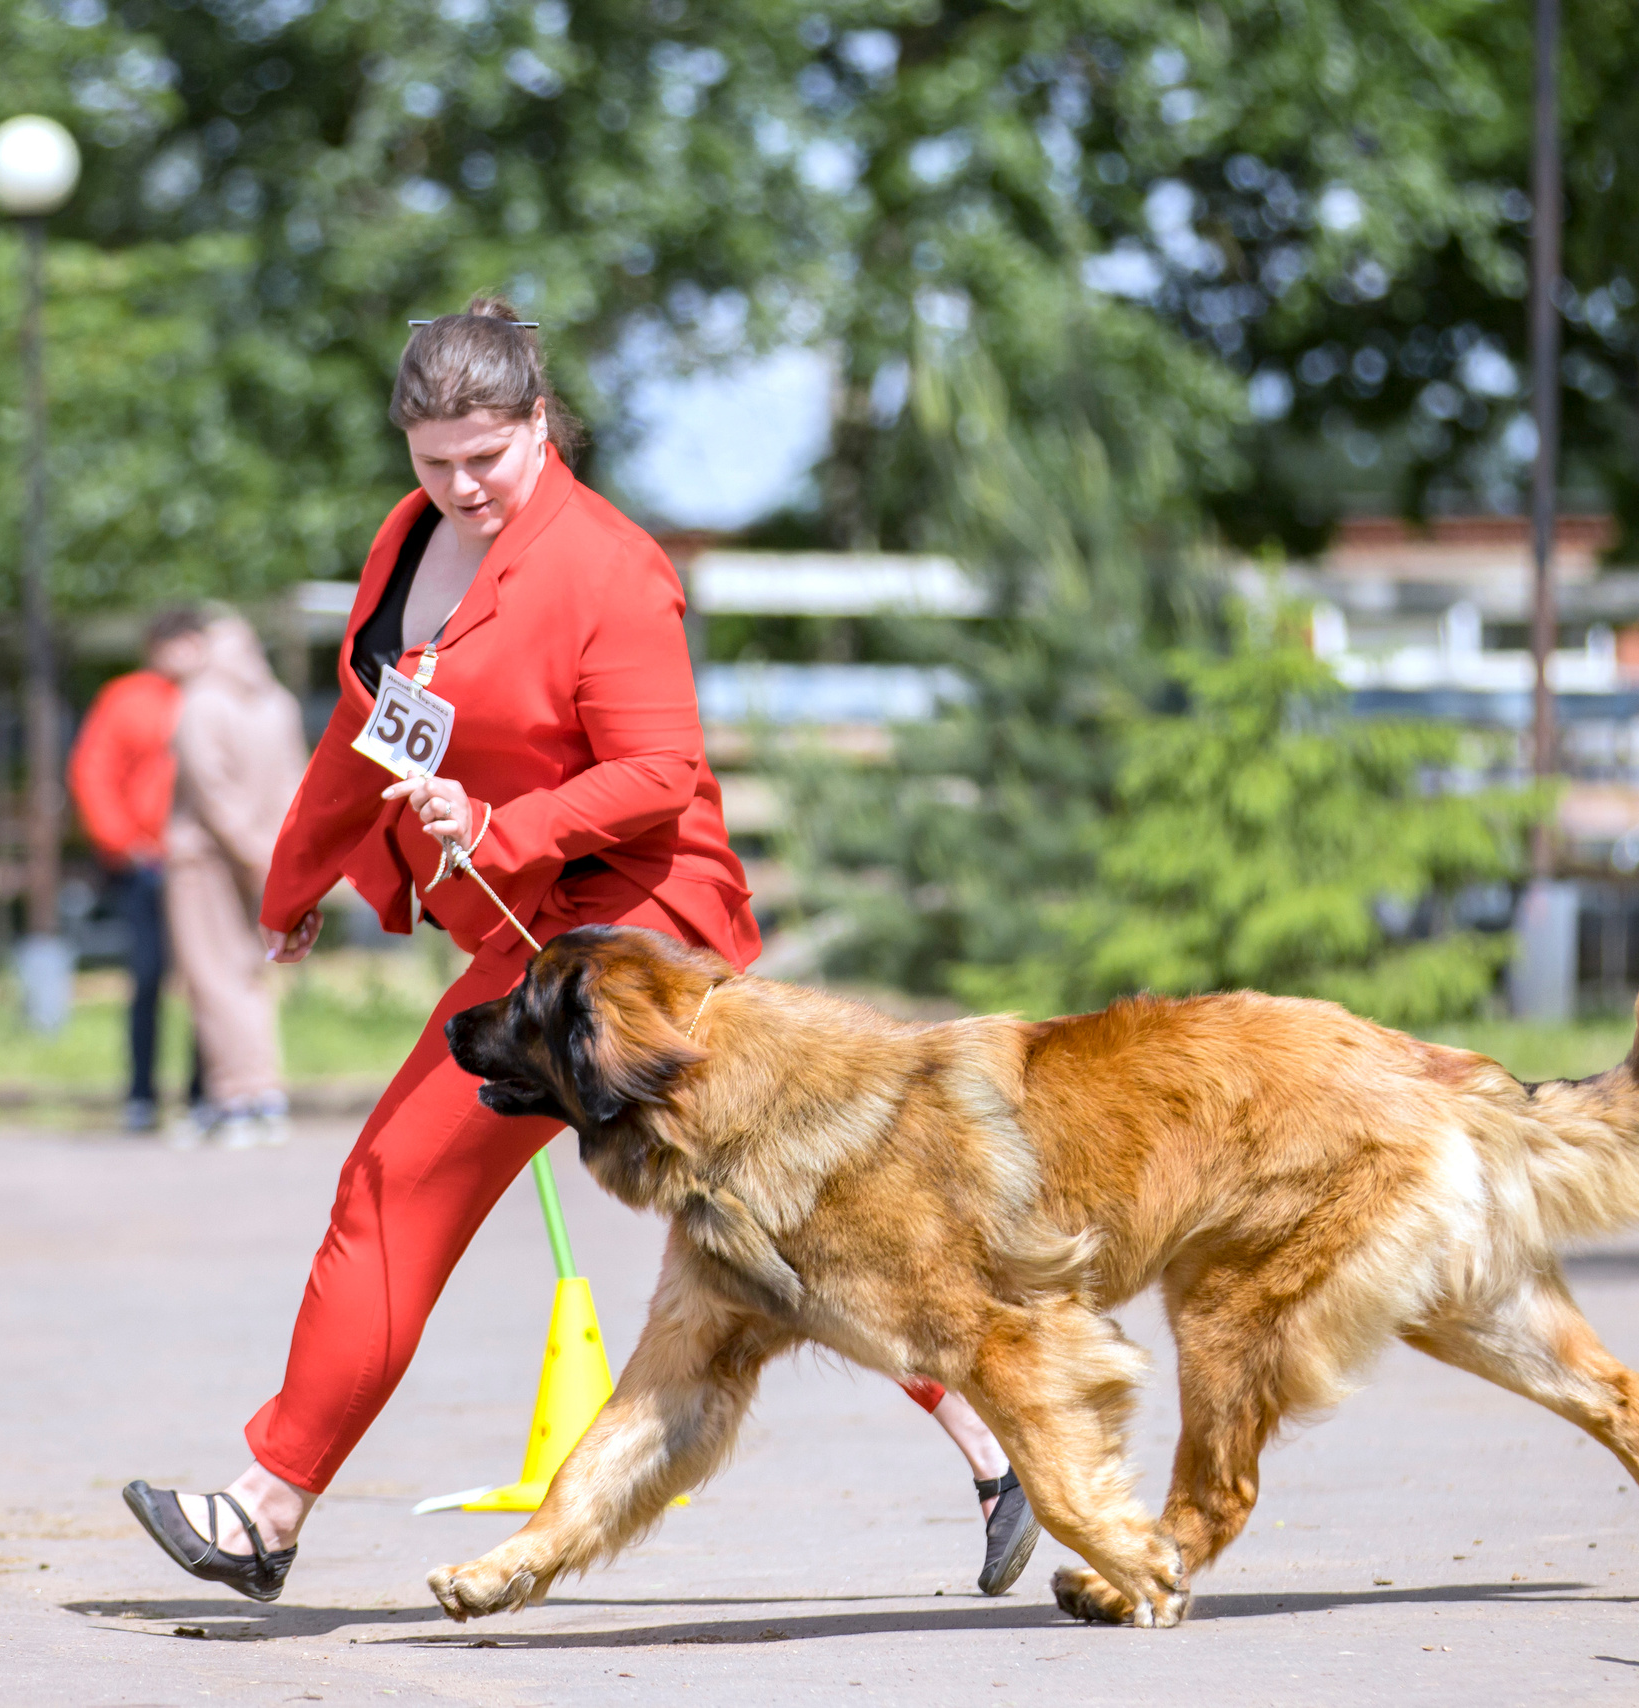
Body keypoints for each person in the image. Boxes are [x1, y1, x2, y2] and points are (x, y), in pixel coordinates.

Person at [122, 298, 1037, 1605]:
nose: (459, 487)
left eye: (485, 457)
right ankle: (267, 1506)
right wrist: (295, 874)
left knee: (750, 1222)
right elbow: (368, 725)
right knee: (658, 1215)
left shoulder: (611, 569)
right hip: (524, 946)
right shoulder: (406, 541)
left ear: (541, 421)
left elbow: (662, 774)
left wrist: (503, 826)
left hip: (639, 950)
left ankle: (266, 1508)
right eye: (432, 461)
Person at [164, 608, 310, 1148]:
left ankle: (235, 1099)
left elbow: (209, 787)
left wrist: (245, 848)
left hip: (206, 859)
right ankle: (266, 1093)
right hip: (270, 856)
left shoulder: (201, 701)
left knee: (211, 978)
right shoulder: (279, 703)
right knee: (253, 976)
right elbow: (299, 781)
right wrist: (276, 854)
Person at [68, 609, 209, 1133]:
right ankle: (141, 1095)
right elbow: (94, 772)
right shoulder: (127, 699)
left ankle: (203, 1093)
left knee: (204, 981)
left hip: (204, 867)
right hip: (145, 865)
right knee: (147, 977)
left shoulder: (217, 699)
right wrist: (123, 844)